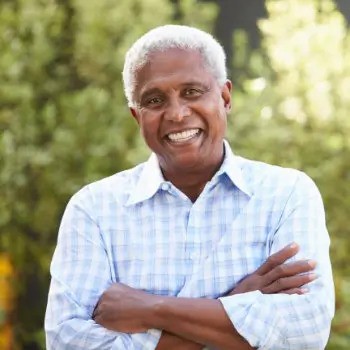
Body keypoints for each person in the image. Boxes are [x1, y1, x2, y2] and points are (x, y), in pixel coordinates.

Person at [45, 25, 334, 349]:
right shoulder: (93, 210)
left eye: (192, 92)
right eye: (154, 100)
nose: (178, 113)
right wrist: (238, 302)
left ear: (225, 97)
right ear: (136, 116)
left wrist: (150, 309)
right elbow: (67, 342)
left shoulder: (286, 194)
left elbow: (304, 333)